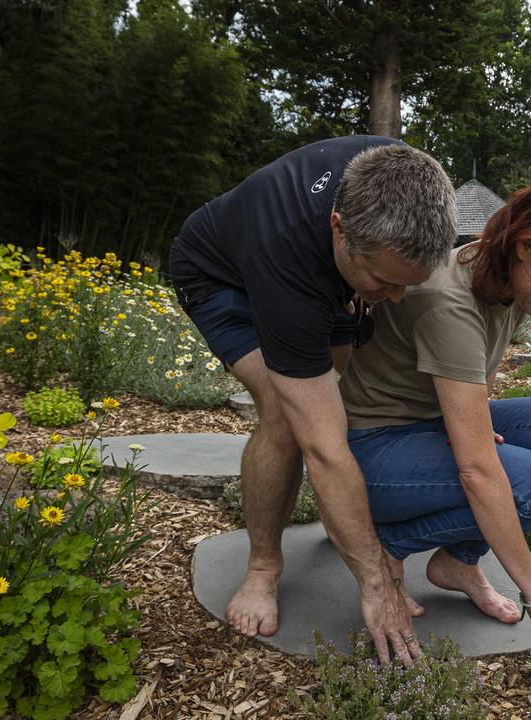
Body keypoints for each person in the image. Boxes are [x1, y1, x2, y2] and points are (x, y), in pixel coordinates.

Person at [169, 136, 458, 666]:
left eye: (407, 285)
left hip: (323, 273)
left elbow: (386, 281)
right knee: (288, 417)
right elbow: (324, 448)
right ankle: (262, 567)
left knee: (330, 403)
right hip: (220, 277)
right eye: (385, 282)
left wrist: (372, 285)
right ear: (339, 229)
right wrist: (375, 583)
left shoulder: (399, 179)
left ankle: (337, 517)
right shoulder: (284, 258)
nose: (395, 299)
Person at [337, 175, 531, 660]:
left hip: (424, 423)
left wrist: (473, 425)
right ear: (528, 246)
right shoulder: (447, 304)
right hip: (373, 452)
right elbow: (477, 470)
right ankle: (386, 543)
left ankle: (458, 561)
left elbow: (483, 372)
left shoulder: (505, 280)